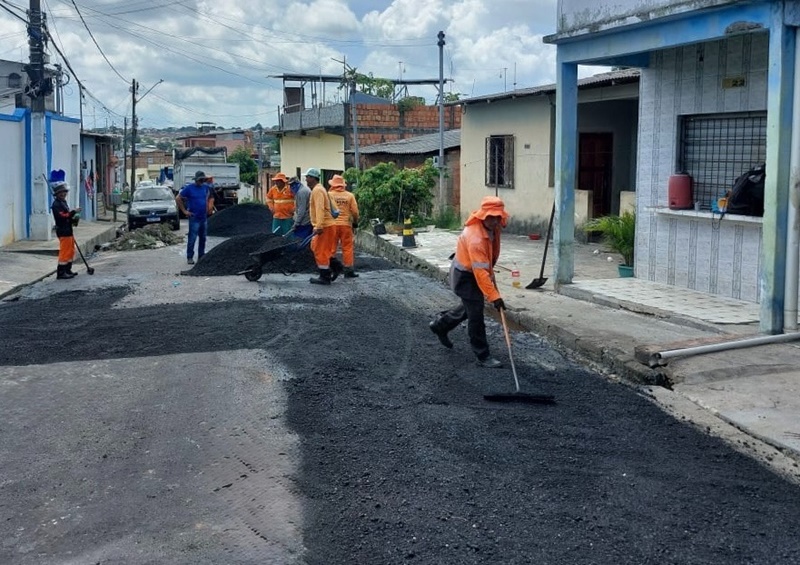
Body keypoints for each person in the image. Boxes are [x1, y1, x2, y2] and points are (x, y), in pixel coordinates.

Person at [429, 196, 510, 368]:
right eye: (491, 217)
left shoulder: (494, 227)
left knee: (470, 307)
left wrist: (491, 278)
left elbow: (487, 260)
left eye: (498, 217)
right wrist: (494, 297)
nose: (495, 221)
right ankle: (483, 355)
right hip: (464, 276)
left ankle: (440, 325)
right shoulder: (475, 238)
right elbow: (480, 273)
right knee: (476, 314)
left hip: (476, 271)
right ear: (483, 215)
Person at [306, 167, 341, 285]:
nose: (306, 179)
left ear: (313, 178)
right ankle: (335, 266)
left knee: (320, 250)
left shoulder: (317, 191)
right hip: (327, 225)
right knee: (317, 247)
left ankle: (325, 277)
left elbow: (320, 209)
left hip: (324, 226)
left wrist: (319, 226)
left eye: (307, 177)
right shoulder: (320, 189)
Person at [176, 170, 215, 265]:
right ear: (196, 180)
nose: (201, 182)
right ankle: (190, 257)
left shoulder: (205, 188)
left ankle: (201, 255)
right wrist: (184, 211)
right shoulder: (189, 188)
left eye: (203, 180)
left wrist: (208, 207)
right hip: (194, 218)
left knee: (203, 238)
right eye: (200, 180)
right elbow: (178, 198)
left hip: (203, 217)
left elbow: (208, 197)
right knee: (192, 238)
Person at [49, 169, 82, 280]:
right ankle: (61, 272)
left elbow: (67, 215)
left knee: (70, 251)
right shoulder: (56, 205)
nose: (63, 194)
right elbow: (63, 216)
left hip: (68, 230)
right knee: (65, 252)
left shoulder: (63, 202)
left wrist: (74, 217)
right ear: (57, 194)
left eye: (64, 192)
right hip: (63, 231)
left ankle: (68, 270)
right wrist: (73, 212)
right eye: (61, 193)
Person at [328, 174, 360, 278]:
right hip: (346, 225)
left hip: (332, 225)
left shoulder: (329, 195)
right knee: (347, 247)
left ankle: (329, 268)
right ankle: (348, 270)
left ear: (333, 184)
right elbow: (355, 212)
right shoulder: (350, 196)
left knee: (331, 247)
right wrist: (355, 222)